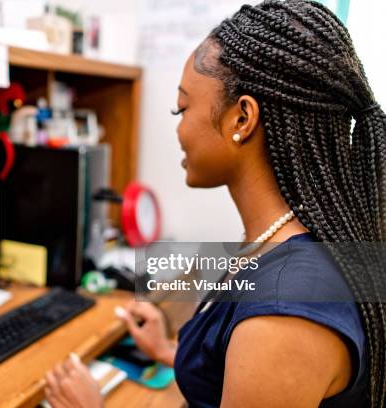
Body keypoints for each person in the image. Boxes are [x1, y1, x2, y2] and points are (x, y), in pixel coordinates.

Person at [44, 1, 386, 407]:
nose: (178, 128)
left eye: (182, 108)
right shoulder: (276, 244)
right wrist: (167, 352)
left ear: (242, 118)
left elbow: (268, 357)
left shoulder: (286, 311)